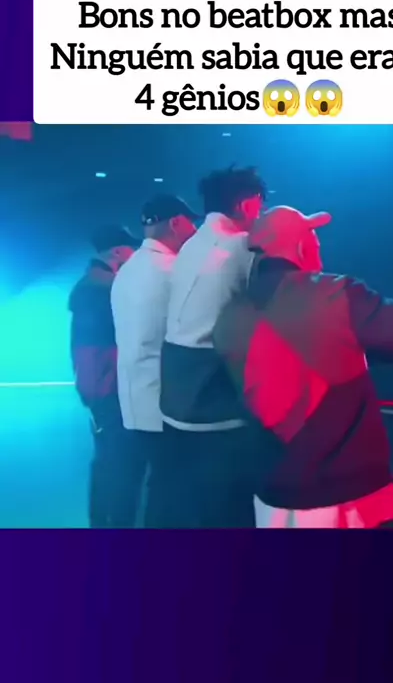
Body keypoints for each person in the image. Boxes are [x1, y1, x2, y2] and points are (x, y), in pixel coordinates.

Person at [213, 206, 393, 529]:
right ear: (300, 245)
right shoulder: (335, 293)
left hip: (273, 494)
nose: (317, 243)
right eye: (312, 235)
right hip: (346, 495)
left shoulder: (228, 316)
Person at [160, 166, 267, 527]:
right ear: (248, 204)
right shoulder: (242, 246)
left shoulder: (191, 245)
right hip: (213, 398)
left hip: (175, 397)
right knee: (231, 511)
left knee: (195, 508)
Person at [111, 194, 198, 528]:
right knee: (171, 493)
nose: (195, 231)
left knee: (155, 486)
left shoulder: (128, 269)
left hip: (135, 399)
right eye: (191, 223)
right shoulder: (174, 271)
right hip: (166, 401)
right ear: (176, 223)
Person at [69, 224, 139, 528]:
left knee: (107, 459)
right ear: (118, 252)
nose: (134, 254)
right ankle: (114, 525)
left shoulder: (91, 285)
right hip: (108, 389)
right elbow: (97, 350)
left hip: (100, 388)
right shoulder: (104, 289)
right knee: (117, 461)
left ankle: (103, 523)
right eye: (130, 248)